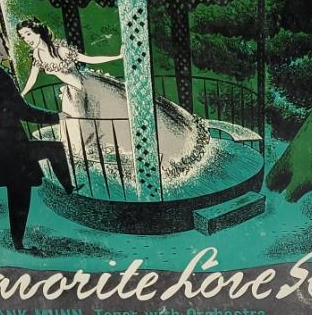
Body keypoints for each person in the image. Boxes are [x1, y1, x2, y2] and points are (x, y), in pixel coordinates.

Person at [15, 19, 209, 189]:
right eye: (23, 37)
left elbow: (88, 59)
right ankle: (84, 175)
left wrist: (117, 57)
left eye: (28, 34)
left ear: (38, 32)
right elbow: (32, 79)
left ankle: (153, 160)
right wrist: (21, 94)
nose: (26, 39)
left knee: (119, 117)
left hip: (91, 89)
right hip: (73, 97)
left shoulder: (61, 50)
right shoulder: (37, 57)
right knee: (79, 134)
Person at [0, 29, 72, 253]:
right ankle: (18, 243)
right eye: (4, 43)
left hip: (13, 139)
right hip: (10, 143)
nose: (7, 46)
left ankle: (69, 190)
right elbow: (20, 110)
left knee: (50, 153)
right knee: (19, 191)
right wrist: (55, 117)